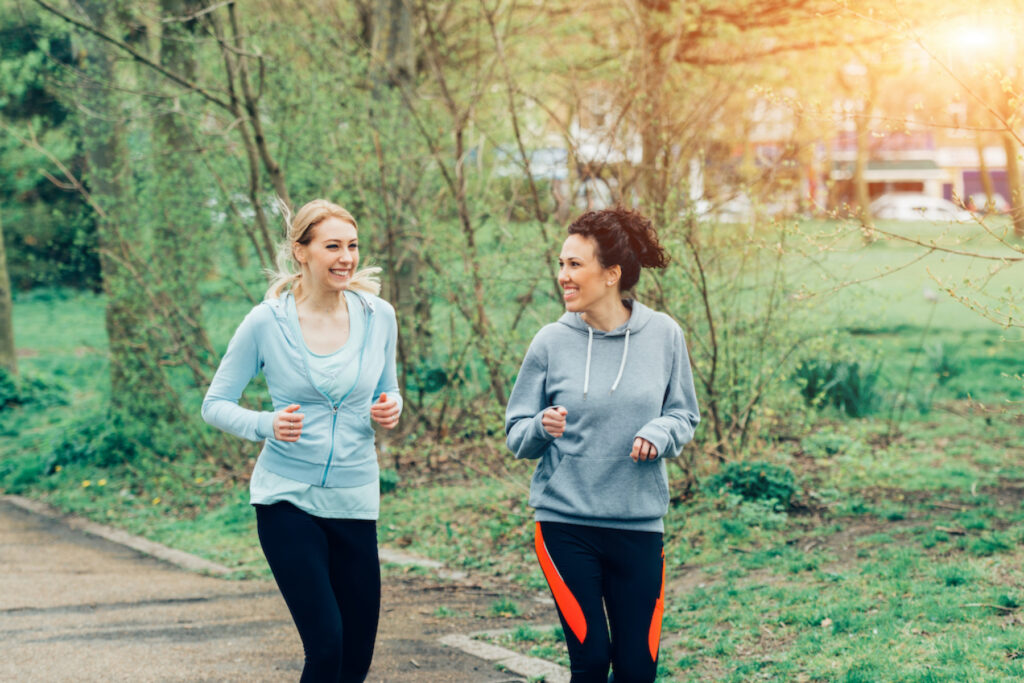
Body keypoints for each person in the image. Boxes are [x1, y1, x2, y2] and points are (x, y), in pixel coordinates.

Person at [202, 199, 401, 682]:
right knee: (327, 644)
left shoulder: (379, 316)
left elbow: (388, 389)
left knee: (355, 659)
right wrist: (265, 424)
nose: (346, 258)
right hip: (287, 498)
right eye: (332, 246)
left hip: (355, 500)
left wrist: (390, 407)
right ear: (301, 252)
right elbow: (215, 404)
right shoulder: (266, 322)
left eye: (352, 246)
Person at [505, 207, 700, 683]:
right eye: (561, 264)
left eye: (575, 265)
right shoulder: (550, 342)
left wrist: (659, 433)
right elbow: (516, 434)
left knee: (637, 669)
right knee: (590, 662)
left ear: (611, 274)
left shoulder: (664, 336)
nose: (562, 276)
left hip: (639, 525)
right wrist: (540, 428)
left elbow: (684, 415)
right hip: (565, 524)